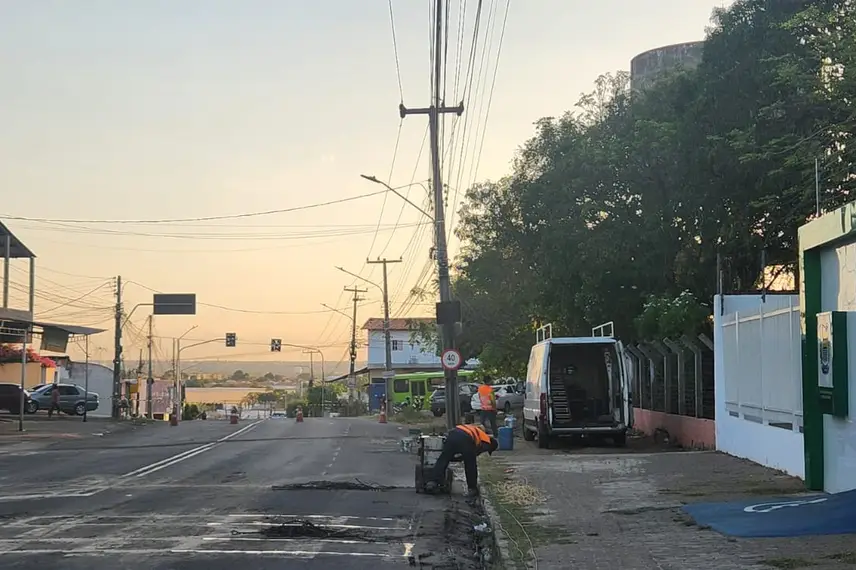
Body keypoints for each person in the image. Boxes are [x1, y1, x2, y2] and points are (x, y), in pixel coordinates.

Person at [428, 424, 498, 497]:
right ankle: (472, 488)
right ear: (491, 446)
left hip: (453, 434)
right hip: (466, 438)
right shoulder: (486, 441)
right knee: (471, 464)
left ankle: (433, 482)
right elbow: (473, 453)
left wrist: (455, 458)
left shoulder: (475, 430)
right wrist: (461, 458)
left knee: (444, 458)